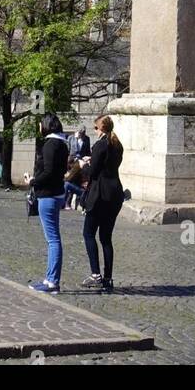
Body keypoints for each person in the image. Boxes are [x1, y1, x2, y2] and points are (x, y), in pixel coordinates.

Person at [26, 113, 69, 294]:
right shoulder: (62, 143)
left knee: (52, 240)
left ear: (45, 125)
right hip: (57, 193)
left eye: (39, 124)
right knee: (53, 239)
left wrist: (33, 181)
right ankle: (50, 278)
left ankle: (52, 282)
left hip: (48, 195)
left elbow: (49, 172)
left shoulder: (50, 144)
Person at [81, 114, 125, 292]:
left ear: (101, 129)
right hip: (115, 193)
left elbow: (93, 172)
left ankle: (95, 274)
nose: (94, 131)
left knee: (88, 234)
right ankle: (108, 278)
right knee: (106, 238)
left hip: (100, 194)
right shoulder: (117, 145)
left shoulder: (101, 145)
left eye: (96, 128)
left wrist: (84, 164)